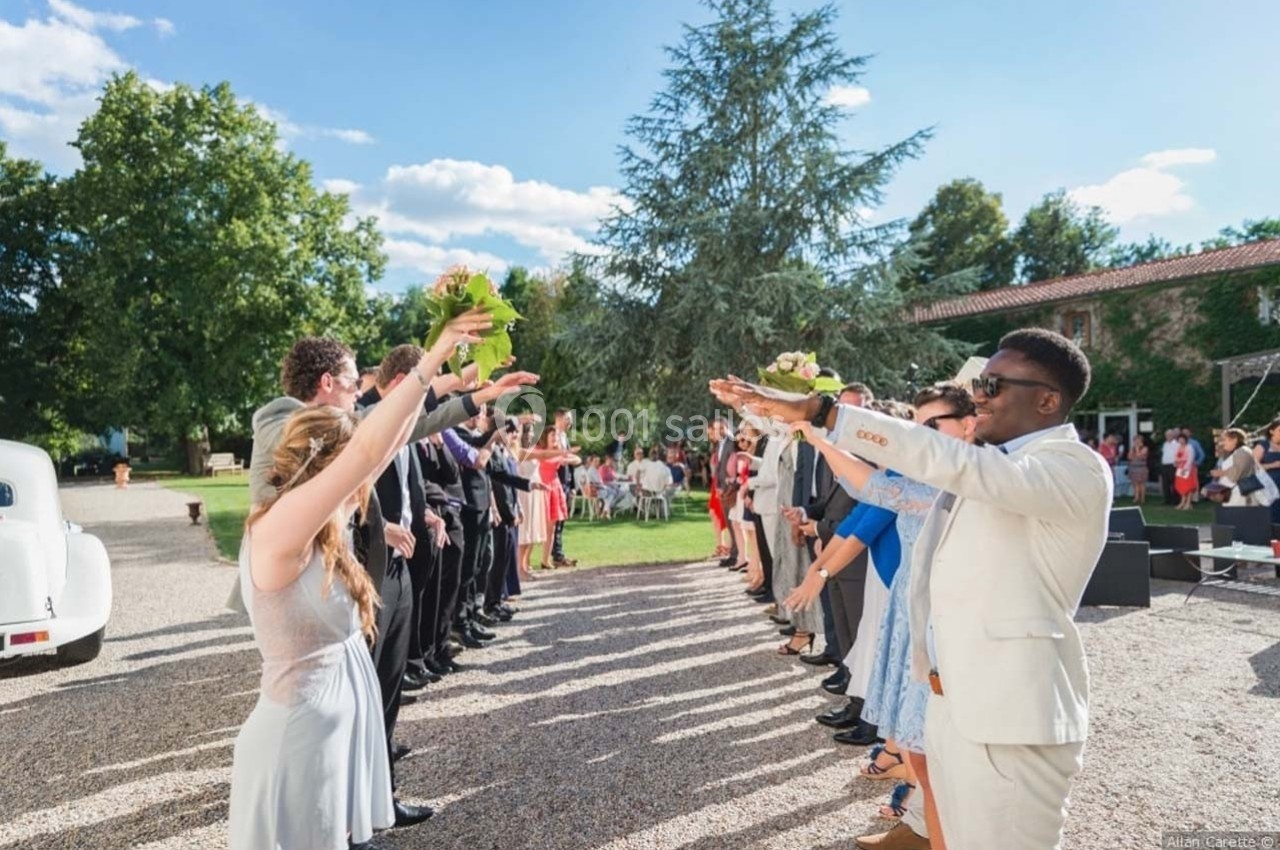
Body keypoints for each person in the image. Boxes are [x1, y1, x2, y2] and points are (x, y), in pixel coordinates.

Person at [713, 328, 1111, 850]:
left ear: (1047, 399)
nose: (979, 398)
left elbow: (948, 461)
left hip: (1010, 719)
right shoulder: (992, 469)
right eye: (977, 387)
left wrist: (826, 414)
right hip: (952, 704)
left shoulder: (1072, 467)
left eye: (991, 384)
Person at [229, 314, 487, 850]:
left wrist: (453, 383)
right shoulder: (284, 527)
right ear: (323, 465)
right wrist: (437, 352)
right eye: (347, 468)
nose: (360, 481)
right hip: (294, 749)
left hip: (324, 743)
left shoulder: (326, 526)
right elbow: (370, 451)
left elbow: (386, 443)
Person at [790, 383, 978, 848]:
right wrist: (814, 438)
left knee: (934, 753)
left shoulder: (962, 478)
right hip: (908, 610)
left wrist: (819, 435)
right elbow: (870, 489)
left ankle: (933, 834)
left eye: (934, 425)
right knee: (915, 744)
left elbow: (871, 491)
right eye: (918, 427)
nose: (924, 435)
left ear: (969, 425)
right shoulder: (924, 473)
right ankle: (920, 827)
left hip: (941, 623)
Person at [549, 409, 579, 567]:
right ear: (558, 418)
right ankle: (555, 554)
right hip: (555, 482)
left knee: (561, 521)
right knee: (555, 521)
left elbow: (570, 466)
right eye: (567, 418)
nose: (570, 422)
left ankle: (558, 553)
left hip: (565, 483)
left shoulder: (565, 437)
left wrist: (572, 485)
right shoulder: (552, 436)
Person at [1254, 418, 1280, 521]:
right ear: (1272, 431)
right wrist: (1272, 465)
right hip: (1269, 487)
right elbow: (1253, 465)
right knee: (1272, 515)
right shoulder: (1264, 445)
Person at [1174, 434, 1198, 510]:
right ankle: (1182, 502)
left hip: (1188, 469)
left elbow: (1190, 458)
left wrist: (1186, 468)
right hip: (1179, 468)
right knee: (1181, 486)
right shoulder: (1178, 447)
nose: (1181, 441)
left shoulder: (1189, 447)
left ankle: (1188, 503)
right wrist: (1176, 462)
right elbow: (1176, 457)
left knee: (1189, 486)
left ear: (1185, 440)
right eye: (1179, 439)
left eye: (1182, 439)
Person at [1128, 434, 1150, 505]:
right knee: (1135, 483)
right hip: (1134, 467)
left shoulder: (1145, 448)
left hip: (1141, 468)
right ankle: (1136, 497)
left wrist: (1137, 450)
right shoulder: (1132, 448)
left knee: (1141, 484)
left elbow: (1140, 456)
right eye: (1135, 440)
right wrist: (1134, 454)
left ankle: (1142, 498)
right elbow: (1129, 457)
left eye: (1138, 440)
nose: (1136, 442)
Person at [1160, 429, 1179, 505]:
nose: (1168, 437)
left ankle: (1175, 500)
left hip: (1173, 465)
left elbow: (1178, 454)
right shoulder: (1165, 444)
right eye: (1166, 435)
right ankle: (1167, 500)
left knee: (1174, 483)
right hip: (1165, 465)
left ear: (1173, 436)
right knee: (1165, 483)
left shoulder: (1177, 444)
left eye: (1169, 435)